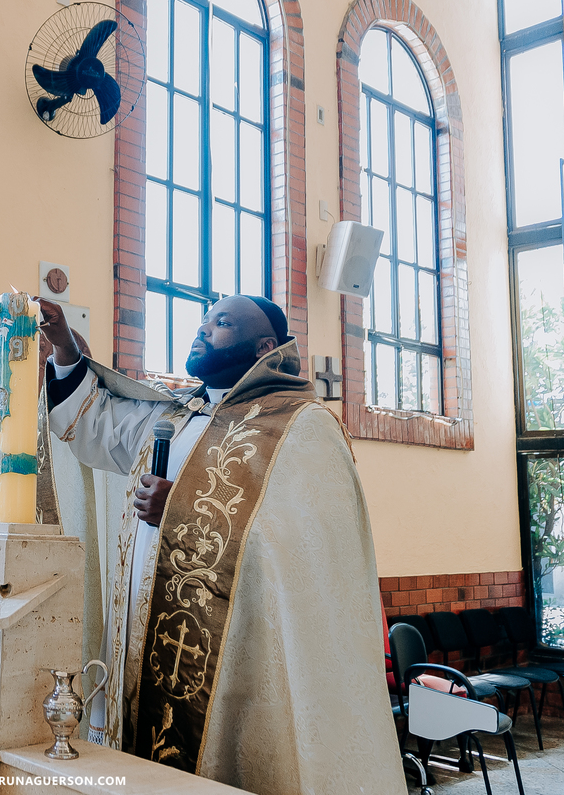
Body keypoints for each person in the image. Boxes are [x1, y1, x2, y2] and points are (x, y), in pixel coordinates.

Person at [39, 295, 405, 794]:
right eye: (204, 320)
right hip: (140, 656)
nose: (204, 328)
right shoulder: (177, 415)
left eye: (223, 322)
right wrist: (63, 350)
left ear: (266, 346)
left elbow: (302, 549)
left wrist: (182, 508)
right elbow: (93, 425)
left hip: (238, 669)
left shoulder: (301, 424)